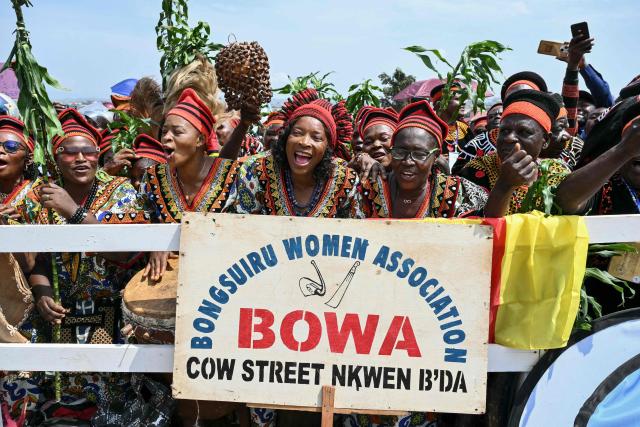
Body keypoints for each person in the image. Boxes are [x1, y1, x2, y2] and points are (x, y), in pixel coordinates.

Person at [9, 108, 144, 424]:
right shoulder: (40, 195)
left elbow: (127, 253)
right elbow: (37, 257)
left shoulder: (119, 191)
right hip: (58, 315)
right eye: (70, 152)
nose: (81, 158)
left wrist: (74, 212)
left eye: (89, 151)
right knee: (49, 399)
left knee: (107, 404)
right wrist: (41, 290)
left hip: (108, 315)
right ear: (56, 157)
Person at [225, 88, 363, 219]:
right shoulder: (255, 170)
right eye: (297, 133)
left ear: (328, 148)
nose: (304, 142)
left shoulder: (344, 179)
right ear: (285, 138)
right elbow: (240, 228)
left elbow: (354, 233)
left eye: (316, 137)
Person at [361, 101, 489, 218]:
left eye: (419, 154)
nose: (407, 161)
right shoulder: (369, 190)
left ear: (436, 156)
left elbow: (487, 225)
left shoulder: (459, 192)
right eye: (400, 152)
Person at [459, 90, 570, 215]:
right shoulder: (476, 170)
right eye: (504, 131)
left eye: (524, 132)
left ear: (546, 140)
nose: (509, 138)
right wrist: (505, 184)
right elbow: (476, 226)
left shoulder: (555, 171)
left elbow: (576, 207)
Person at [451, 102, 503, 173]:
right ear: (487, 126)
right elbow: (457, 171)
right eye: (491, 117)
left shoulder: (518, 139)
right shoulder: (476, 143)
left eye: (501, 114)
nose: (497, 117)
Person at [430, 82, 473, 155]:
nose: (463, 103)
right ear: (442, 104)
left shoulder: (464, 129)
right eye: (457, 99)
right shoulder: (430, 130)